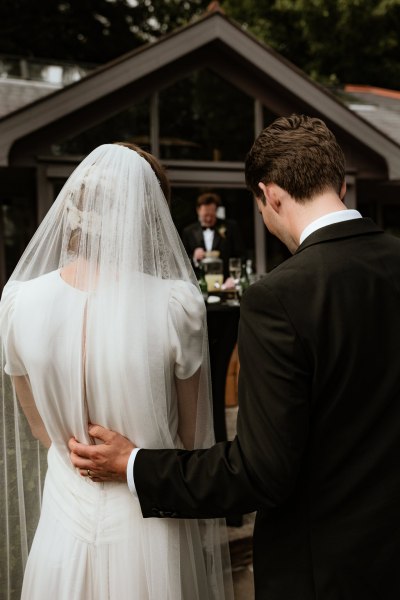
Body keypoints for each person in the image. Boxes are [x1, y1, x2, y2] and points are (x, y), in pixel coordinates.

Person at [69, 114, 400, 599]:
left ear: (269, 195)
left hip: (323, 570)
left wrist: (134, 463)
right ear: (341, 184)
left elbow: (260, 472)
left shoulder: (278, 297)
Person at [0, 143, 233, 599]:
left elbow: (40, 428)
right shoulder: (175, 306)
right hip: (148, 522)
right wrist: (128, 459)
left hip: (63, 521)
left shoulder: (18, 304)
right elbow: (189, 442)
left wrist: (83, 455)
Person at [181, 192, 245, 280]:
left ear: (216, 210)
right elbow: (182, 261)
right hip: (198, 283)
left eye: (211, 215)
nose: (208, 219)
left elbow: (241, 256)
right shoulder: (188, 231)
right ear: (198, 210)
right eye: (205, 215)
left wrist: (233, 279)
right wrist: (194, 257)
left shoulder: (231, 227)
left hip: (226, 282)